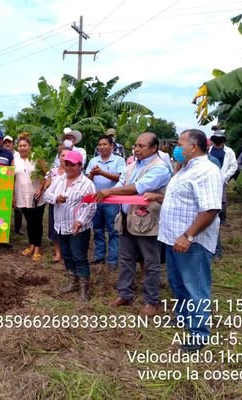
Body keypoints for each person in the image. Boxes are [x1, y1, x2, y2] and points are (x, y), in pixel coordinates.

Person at [154, 129, 223, 352]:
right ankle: (184, 318)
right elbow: (182, 198)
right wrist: (158, 197)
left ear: (193, 147)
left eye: (180, 143)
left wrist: (188, 235)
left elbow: (210, 209)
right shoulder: (185, 169)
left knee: (195, 286)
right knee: (178, 283)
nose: (176, 147)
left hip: (191, 242)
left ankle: (199, 333)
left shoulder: (207, 171)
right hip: (173, 238)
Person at [96, 132, 172, 316]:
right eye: (135, 145)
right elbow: (121, 184)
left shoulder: (160, 168)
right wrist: (110, 192)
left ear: (154, 148)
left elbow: (138, 187)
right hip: (126, 219)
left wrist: (108, 192)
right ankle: (125, 294)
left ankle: (151, 300)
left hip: (147, 221)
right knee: (126, 258)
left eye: (141, 146)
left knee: (151, 262)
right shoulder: (130, 166)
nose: (136, 149)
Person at [44, 151, 97, 302]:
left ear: (80, 165)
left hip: (77, 228)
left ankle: (84, 289)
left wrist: (80, 221)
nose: (68, 167)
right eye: (66, 164)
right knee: (66, 255)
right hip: (61, 225)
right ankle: (72, 282)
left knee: (79, 257)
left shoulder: (87, 184)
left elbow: (91, 206)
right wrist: (56, 198)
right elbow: (47, 194)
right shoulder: (59, 180)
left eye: (72, 164)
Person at [86, 135, 125, 270]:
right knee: (97, 229)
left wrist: (101, 172)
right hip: (96, 199)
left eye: (104, 144)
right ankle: (99, 256)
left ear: (112, 146)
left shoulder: (119, 161)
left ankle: (113, 259)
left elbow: (121, 177)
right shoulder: (93, 161)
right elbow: (88, 179)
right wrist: (92, 174)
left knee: (113, 230)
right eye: (100, 145)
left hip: (112, 200)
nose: (102, 147)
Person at [14, 133, 46, 262]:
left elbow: (46, 175)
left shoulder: (37, 158)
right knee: (29, 221)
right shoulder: (15, 160)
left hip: (36, 195)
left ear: (29, 146)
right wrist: (13, 196)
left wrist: (40, 188)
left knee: (37, 221)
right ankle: (31, 245)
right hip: (22, 195)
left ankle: (37, 248)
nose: (22, 148)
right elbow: (13, 178)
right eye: (20, 146)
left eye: (24, 145)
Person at [44, 147, 71, 262]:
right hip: (54, 204)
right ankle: (58, 253)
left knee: (68, 228)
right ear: (59, 157)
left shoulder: (73, 171)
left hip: (69, 205)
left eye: (67, 156)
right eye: (62, 155)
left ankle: (68, 252)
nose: (64, 158)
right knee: (55, 229)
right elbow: (46, 186)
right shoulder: (53, 171)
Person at [208, 130, 237, 226]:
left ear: (223, 140)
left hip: (222, 178)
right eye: (216, 138)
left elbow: (234, 166)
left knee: (222, 199)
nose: (218, 140)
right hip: (209, 177)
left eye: (220, 138)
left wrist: (225, 176)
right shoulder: (209, 150)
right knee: (209, 197)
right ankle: (209, 218)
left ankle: (222, 219)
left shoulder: (229, 152)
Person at [3, 135, 23, 234]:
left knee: (18, 208)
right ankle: (4, 229)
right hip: (3, 186)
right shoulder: (1, 154)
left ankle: (18, 228)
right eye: (5, 142)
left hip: (17, 184)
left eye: (9, 142)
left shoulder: (19, 155)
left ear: (13, 144)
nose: (7, 144)